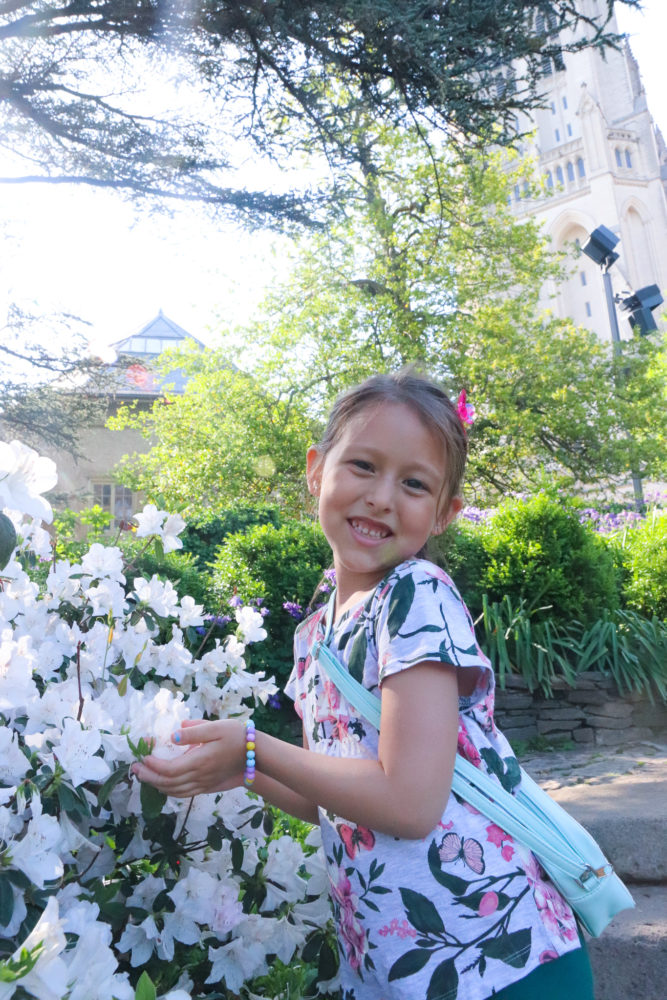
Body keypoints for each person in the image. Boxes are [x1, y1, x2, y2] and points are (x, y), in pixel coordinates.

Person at [133, 371, 594, 1000]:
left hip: (497, 958)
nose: (381, 497)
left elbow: (408, 801)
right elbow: (335, 794)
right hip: (397, 964)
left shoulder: (415, 596)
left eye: (413, 483)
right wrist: (240, 767)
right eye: (362, 466)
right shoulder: (317, 631)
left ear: (443, 513)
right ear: (317, 470)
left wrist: (255, 747)